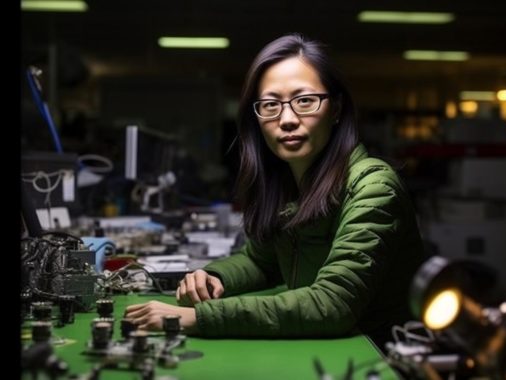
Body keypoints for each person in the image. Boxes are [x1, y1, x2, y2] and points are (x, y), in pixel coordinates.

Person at [125, 33, 427, 348]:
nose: (286, 119)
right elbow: (261, 260)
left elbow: (332, 305)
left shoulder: (373, 186)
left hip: (377, 355)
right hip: (319, 344)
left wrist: (195, 318)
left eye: (305, 101)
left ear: (336, 108)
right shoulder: (287, 182)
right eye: (270, 104)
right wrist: (215, 277)